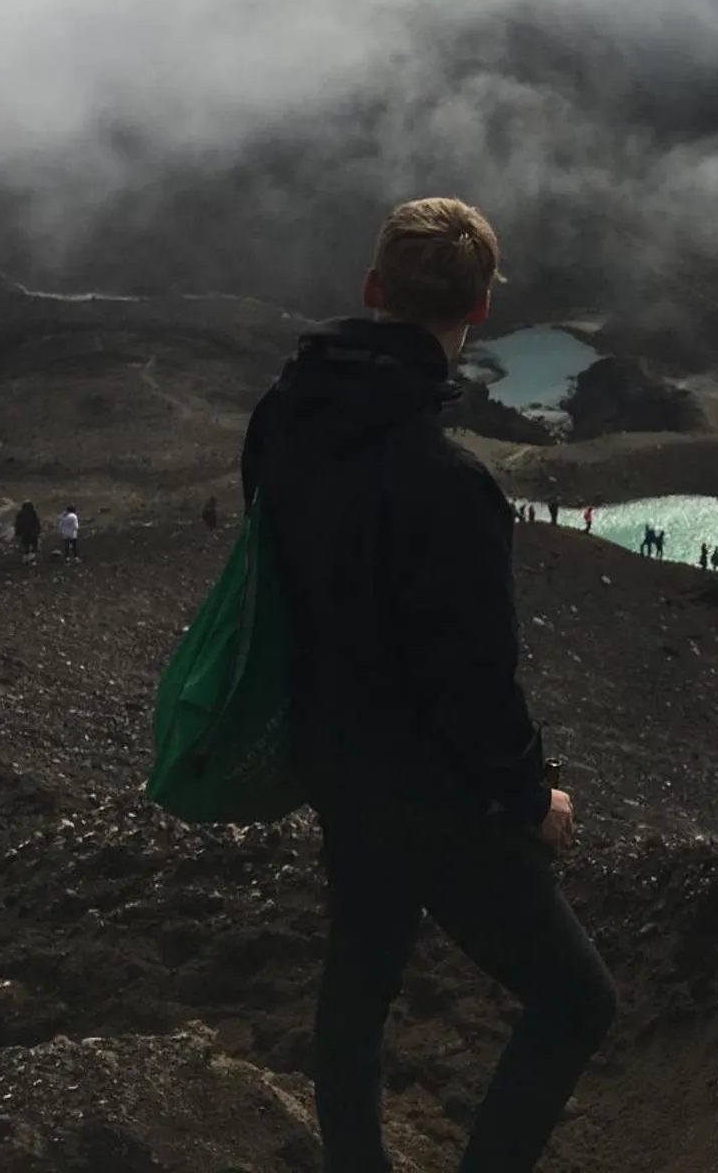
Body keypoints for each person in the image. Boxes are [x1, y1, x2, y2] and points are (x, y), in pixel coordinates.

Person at [245, 197, 615, 1173]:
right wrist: (532, 795)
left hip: (331, 752)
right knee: (578, 999)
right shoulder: (447, 481)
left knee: (362, 964)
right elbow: (475, 679)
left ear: (373, 290)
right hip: (433, 791)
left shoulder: (284, 415)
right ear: (480, 309)